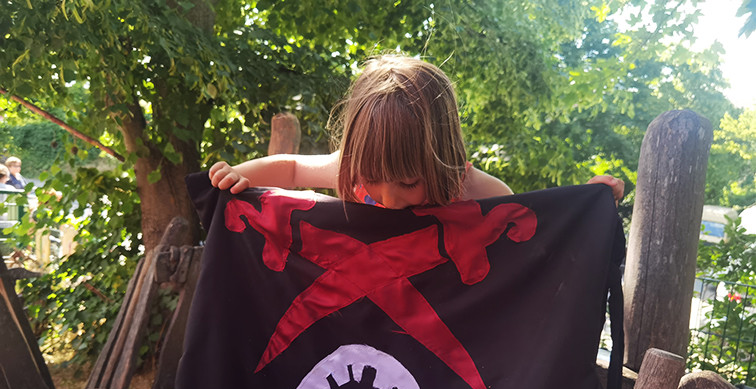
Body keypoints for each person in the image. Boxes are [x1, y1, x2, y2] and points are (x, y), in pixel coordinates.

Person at [209, 54, 623, 209]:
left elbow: (526, 225)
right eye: (373, 180)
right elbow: (291, 168)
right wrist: (239, 175)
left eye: (408, 183)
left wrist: (581, 205)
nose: (389, 200)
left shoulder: (472, 187)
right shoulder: (351, 168)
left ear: (443, 162)